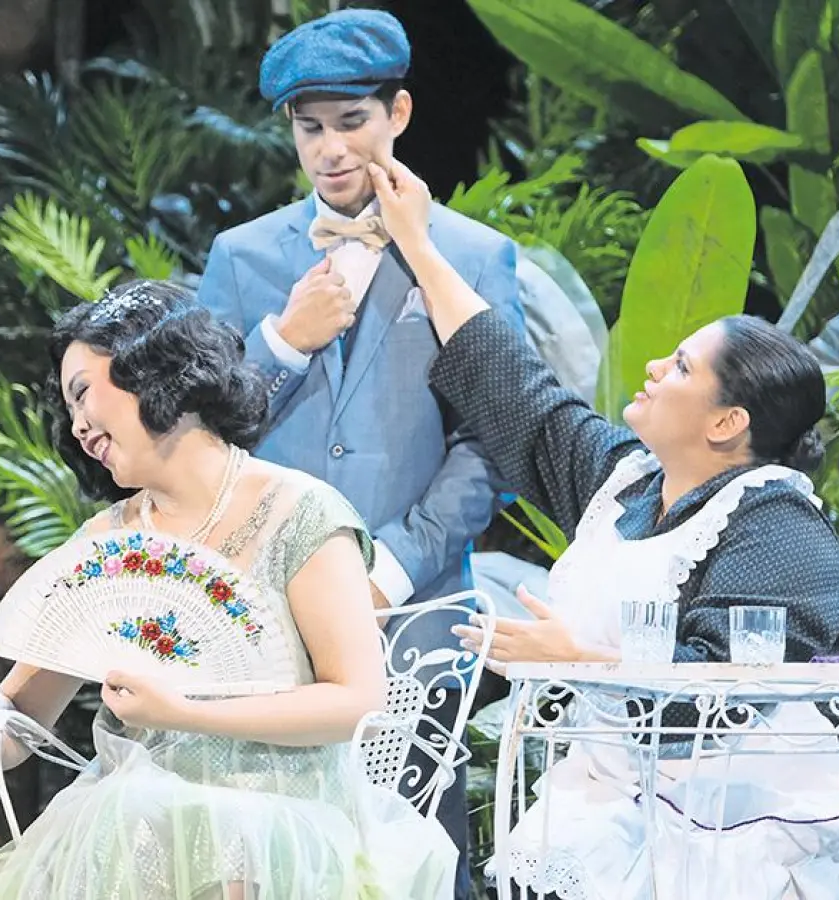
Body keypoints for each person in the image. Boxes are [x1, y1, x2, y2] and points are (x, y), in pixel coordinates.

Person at [369, 158, 839, 898]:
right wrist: (417, 242)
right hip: (655, 803)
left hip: (802, 830)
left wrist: (579, 660)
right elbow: (511, 383)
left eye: (679, 368)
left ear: (727, 421)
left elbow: (725, 696)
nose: (650, 367)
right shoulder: (629, 482)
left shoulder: (777, 526)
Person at [0, 280, 458, 898]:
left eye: (83, 393)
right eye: (69, 409)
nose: (79, 425)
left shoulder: (299, 512)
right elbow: (23, 711)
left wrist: (182, 712)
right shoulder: (106, 543)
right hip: (131, 831)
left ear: (150, 366)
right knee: (131, 816)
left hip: (284, 831)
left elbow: (356, 701)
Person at [194, 10, 525, 883]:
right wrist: (284, 343)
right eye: (311, 129)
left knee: (415, 858)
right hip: (262, 606)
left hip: (414, 611)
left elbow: (491, 446)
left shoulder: (475, 257)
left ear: (399, 115)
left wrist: (390, 570)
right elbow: (200, 438)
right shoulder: (240, 257)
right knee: (266, 855)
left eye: (352, 123)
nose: (332, 150)